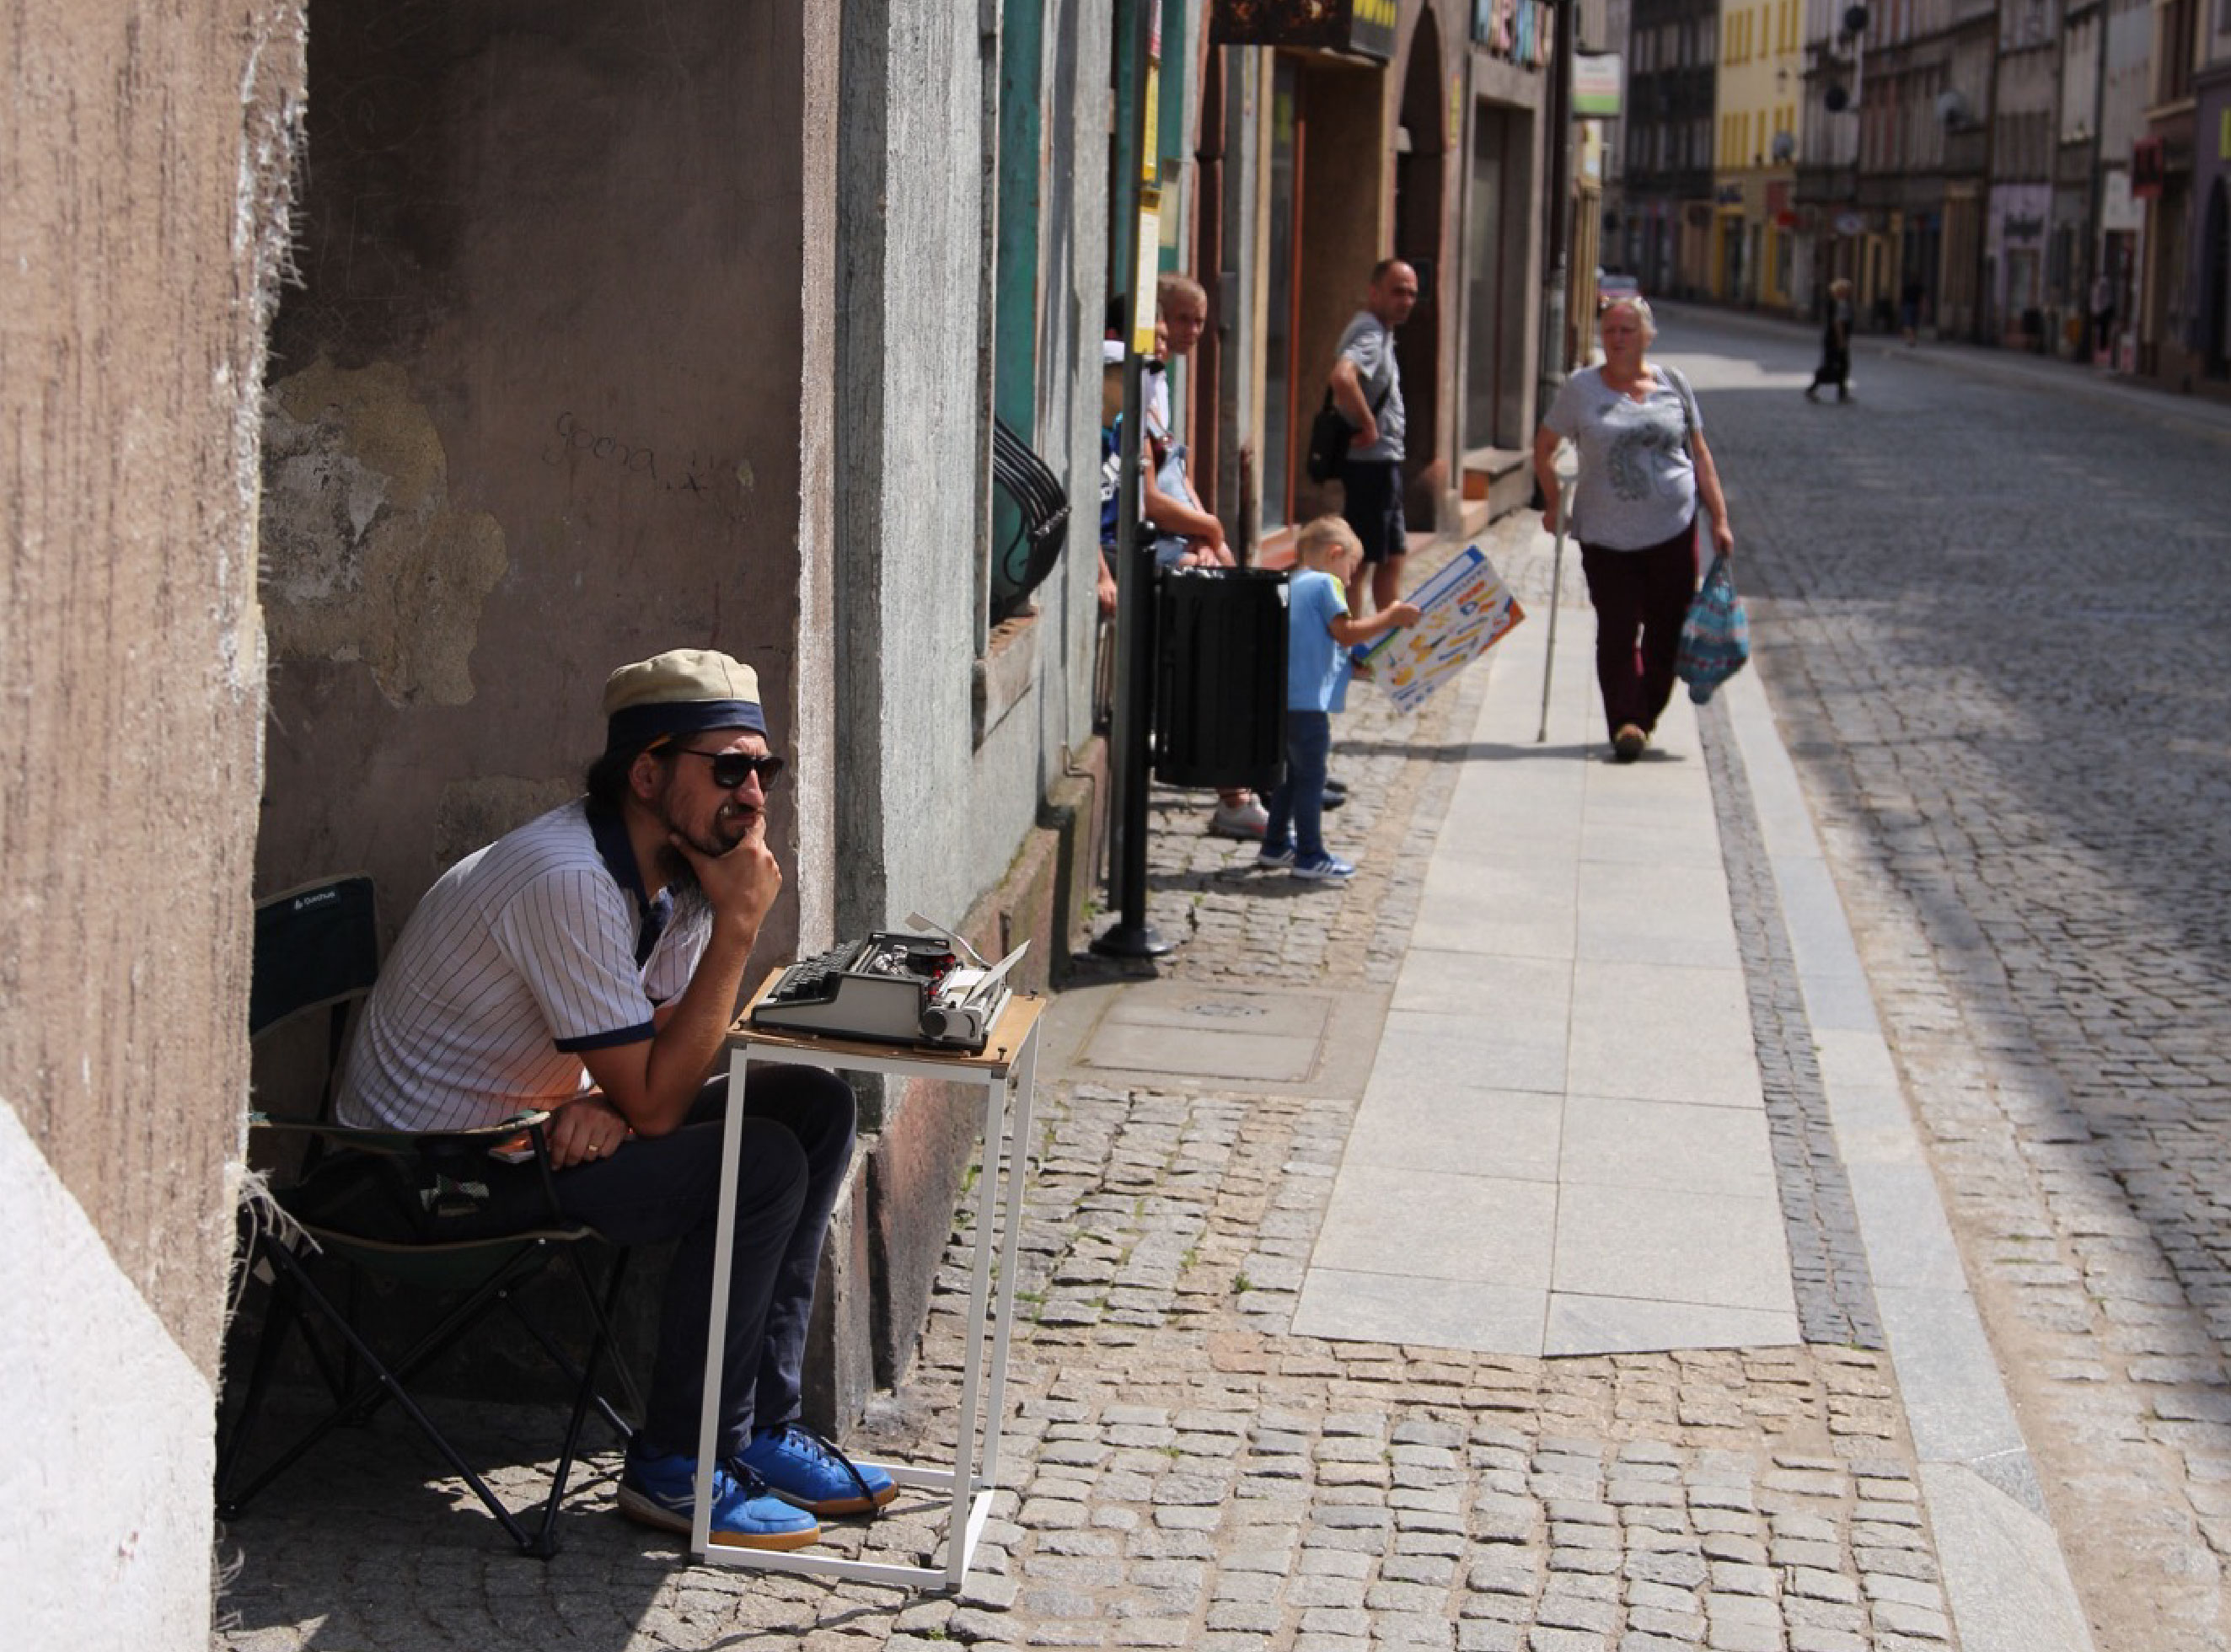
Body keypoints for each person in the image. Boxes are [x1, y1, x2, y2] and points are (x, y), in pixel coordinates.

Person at [335, 648, 897, 1551]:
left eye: (765, 769)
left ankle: (758, 1427)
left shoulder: (678, 870)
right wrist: (739, 929)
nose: (754, 795)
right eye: (729, 769)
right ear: (646, 773)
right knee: (758, 1164)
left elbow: (662, 1042)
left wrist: (606, 1093)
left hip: (530, 1128)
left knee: (816, 1107)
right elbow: (661, 1102)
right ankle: (677, 1463)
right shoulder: (568, 878)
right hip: (429, 1171)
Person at [1532, 296, 1734, 764]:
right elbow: (1544, 447)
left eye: (1626, 330)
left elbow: (1700, 455)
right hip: (1606, 536)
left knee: (1668, 630)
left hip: (1674, 530)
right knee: (1617, 628)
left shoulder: (1674, 384)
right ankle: (1626, 720)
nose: (1617, 339)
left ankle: (1643, 715)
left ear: (1647, 336)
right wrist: (1554, 501)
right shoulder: (1581, 389)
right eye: (1609, 331)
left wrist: (1719, 519)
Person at [1144, 271, 1267, 841]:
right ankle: (1233, 789)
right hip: (1150, 544)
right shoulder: (1130, 387)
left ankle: (1258, 765)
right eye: (1179, 321)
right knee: (1216, 638)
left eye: (1198, 321)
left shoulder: (1159, 382)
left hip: (1174, 535)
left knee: (1243, 613)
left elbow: (1177, 475)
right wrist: (1207, 529)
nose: (1190, 332)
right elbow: (1144, 497)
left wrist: (1206, 528)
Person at [1256, 516, 1420, 881]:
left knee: (1289, 777)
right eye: (1352, 568)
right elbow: (1345, 632)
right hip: (1308, 705)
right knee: (1311, 778)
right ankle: (1310, 854)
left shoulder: (1292, 582)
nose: (1349, 580)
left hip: (1283, 701)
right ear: (1335, 554)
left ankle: (1275, 844)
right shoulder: (1325, 583)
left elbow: (1317, 645)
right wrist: (1391, 617)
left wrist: (1351, 667)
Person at [1328, 259, 1420, 622]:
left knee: (1393, 556)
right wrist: (1369, 425)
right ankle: (1351, 640)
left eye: (1412, 294)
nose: (1406, 301)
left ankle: (1386, 638)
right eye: (1398, 292)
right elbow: (1342, 377)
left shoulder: (1381, 332)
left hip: (1383, 463)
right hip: (1372, 465)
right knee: (1360, 560)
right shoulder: (1369, 331)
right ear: (1374, 292)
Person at [1805, 277, 1853, 402]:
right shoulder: (1837, 304)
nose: (1847, 293)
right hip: (1834, 340)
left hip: (1836, 339)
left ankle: (1842, 393)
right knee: (1831, 366)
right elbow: (1837, 323)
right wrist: (1841, 340)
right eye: (1845, 291)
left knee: (1842, 366)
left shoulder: (1842, 303)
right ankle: (1812, 389)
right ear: (1838, 291)